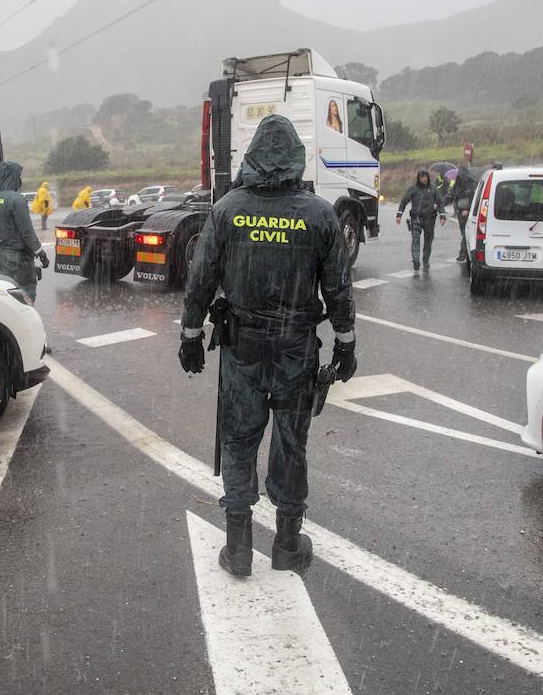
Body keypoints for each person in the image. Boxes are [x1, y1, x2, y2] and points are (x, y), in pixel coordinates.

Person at [178, 115, 356, 578]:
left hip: (243, 349)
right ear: (297, 158)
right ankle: (287, 543)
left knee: (238, 441)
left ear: (252, 156)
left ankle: (237, 547)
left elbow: (200, 280)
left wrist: (191, 334)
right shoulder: (319, 214)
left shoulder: (227, 210)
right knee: (291, 443)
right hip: (296, 349)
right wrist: (345, 344)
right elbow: (338, 289)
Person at [0, 161, 49, 303]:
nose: (20, 180)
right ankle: (26, 321)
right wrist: (41, 253)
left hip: (3, 256)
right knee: (26, 293)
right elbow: (27, 232)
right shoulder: (17, 200)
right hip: (20, 258)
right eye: (19, 176)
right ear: (12, 177)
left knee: (8, 293)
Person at [396, 167, 446, 271]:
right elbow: (404, 201)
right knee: (415, 241)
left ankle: (425, 260)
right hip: (416, 219)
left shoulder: (433, 189)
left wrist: (442, 215)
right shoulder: (413, 189)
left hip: (429, 219)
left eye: (425, 176)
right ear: (418, 178)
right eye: (422, 177)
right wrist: (399, 215)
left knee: (428, 241)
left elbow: (440, 202)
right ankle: (416, 261)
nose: (424, 179)